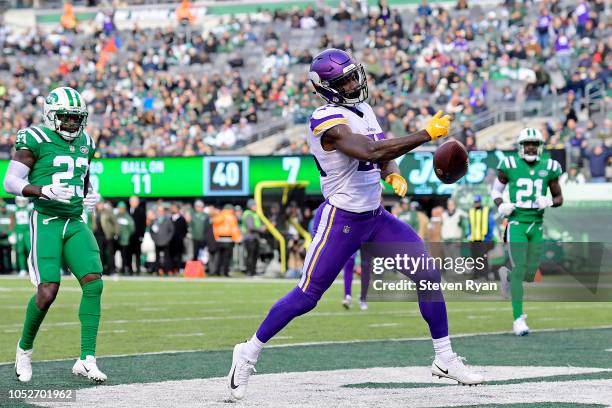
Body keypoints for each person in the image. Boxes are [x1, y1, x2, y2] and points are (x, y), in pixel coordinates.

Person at [227, 49, 483, 401]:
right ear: (326, 88)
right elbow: (367, 151)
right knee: (307, 296)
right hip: (342, 219)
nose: (352, 83)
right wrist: (426, 134)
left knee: (427, 274)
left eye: (352, 76)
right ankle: (248, 351)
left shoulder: (363, 109)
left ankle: (444, 358)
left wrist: (392, 175)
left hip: (375, 217)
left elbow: (382, 153)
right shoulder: (325, 120)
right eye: (343, 80)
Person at [3, 87, 106, 382]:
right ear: (51, 116)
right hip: (46, 219)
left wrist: (89, 194)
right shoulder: (34, 138)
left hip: (74, 221)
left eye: (77, 119)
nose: (72, 124)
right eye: (66, 118)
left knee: (94, 283)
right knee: (48, 291)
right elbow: (10, 181)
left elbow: (82, 177)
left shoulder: (87, 141)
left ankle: (86, 359)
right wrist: (42, 190)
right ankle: (24, 349)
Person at [491, 127, 563, 336]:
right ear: (520, 146)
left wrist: (549, 200)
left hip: (537, 224)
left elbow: (559, 197)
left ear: (540, 147)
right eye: (526, 143)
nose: (530, 147)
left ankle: (508, 276)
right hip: (517, 223)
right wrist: (501, 204)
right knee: (521, 267)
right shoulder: (509, 164)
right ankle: (518, 319)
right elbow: (496, 190)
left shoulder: (549, 167)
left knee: (530, 272)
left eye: (534, 143)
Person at [466, 196, 495, 280]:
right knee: (474, 258)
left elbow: (491, 224)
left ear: (480, 202)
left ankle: (485, 275)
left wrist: (488, 237)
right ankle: (476, 274)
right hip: (473, 239)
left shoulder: (486, 211)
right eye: (475, 202)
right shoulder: (471, 211)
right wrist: (469, 234)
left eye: (477, 202)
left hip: (483, 239)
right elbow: (469, 225)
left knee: (483, 258)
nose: (476, 203)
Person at [212, 204, 241, 277]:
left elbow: (214, 227)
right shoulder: (231, 217)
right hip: (228, 239)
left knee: (219, 256)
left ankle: (217, 271)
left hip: (219, 239)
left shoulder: (219, 216)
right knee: (227, 257)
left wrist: (216, 237)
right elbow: (234, 229)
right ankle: (225, 272)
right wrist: (237, 238)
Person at [94, 200, 118, 276]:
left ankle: (112, 270)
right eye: (98, 204)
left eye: (101, 204)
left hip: (107, 235)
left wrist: (116, 233)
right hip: (98, 236)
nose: (100, 205)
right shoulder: (95, 213)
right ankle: (102, 270)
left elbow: (115, 223)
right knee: (100, 254)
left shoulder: (108, 212)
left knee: (110, 254)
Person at [241, 199, 265, 276]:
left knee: (254, 256)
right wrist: (261, 229)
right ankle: (249, 272)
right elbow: (251, 227)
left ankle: (253, 272)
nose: (256, 207)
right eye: (254, 205)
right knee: (250, 256)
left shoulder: (254, 214)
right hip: (249, 238)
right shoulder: (248, 214)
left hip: (254, 238)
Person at [150, 204, 174, 276]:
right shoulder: (155, 220)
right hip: (157, 241)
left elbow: (171, 231)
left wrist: (167, 239)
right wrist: (154, 239)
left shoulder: (167, 220)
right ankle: (157, 270)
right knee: (157, 257)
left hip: (165, 241)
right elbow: (151, 231)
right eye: (159, 211)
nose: (160, 212)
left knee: (167, 257)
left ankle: (167, 270)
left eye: (161, 211)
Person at [12, 196, 31, 277]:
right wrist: (12, 233)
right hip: (19, 232)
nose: (21, 203)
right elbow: (13, 222)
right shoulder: (14, 209)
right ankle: (22, 269)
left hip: (28, 232)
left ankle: (32, 268)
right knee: (20, 251)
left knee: (31, 251)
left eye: (23, 201)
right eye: (20, 201)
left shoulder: (29, 209)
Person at [128, 196, 147, 275]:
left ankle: (138, 269)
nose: (134, 203)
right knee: (128, 254)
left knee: (137, 254)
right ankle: (129, 269)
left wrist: (141, 236)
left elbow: (143, 225)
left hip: (137, 236)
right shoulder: (127, 211)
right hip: (129, 237)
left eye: (135, 201)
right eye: (132, 201)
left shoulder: (141, 211)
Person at [116, 202, 135, 275]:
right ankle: (120, 268)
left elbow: (132, 229)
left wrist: (127, 235)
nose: (120, 210)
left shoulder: (127, 217)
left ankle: (126, 268)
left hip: (125, 240)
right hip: (117, 239)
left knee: (125, 255)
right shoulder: (116, 216)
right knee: (118, 255)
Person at [169, 203, 188, 276]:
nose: (173, 209)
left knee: (178, 256)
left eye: (174, 208)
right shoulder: (169, 218)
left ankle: (178, 269)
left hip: (179, 242)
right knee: (170, 256)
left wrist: (181, 238)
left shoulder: (182, 219)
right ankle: (171, 270)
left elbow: (185, 230)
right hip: (170, 241)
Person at [0, 202, 12, 274]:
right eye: (1, 207)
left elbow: (12, 225)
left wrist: (7, 233)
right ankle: (1, 269)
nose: (2, 209)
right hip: (0, 239)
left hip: (7, 239)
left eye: (4, 207)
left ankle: (8, 269)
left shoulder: (9, 214)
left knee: (8, 255)